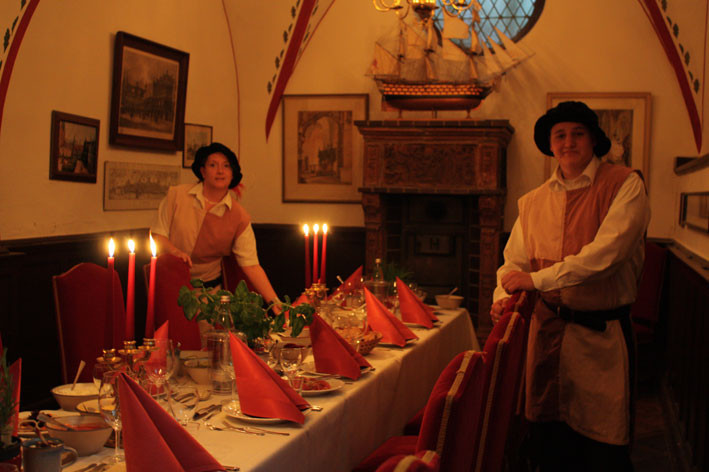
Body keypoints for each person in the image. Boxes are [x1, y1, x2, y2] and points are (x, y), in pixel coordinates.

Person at [490, 101, 650, 471]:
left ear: (594, 139)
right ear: (550, 144)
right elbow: (513, 263)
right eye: (559, 134)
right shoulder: (532, 202)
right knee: (548, 444)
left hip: (601, 339)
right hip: (545, 335)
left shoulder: (625, 184)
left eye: (578, 133)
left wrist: (536, 280)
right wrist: (504, 295)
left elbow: (606, 254)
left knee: (601, 448)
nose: (568, 141)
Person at [151, 142, 280, 309]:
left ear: (233, 173)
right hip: (169, 285)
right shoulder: (176, 196)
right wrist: (175, 252)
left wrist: (275, 302)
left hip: (209, 295)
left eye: (226, 166)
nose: (220, 171)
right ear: (203, 171)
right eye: (213, 165)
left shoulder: (239, 216)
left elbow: (251, 264)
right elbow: (157, 234)